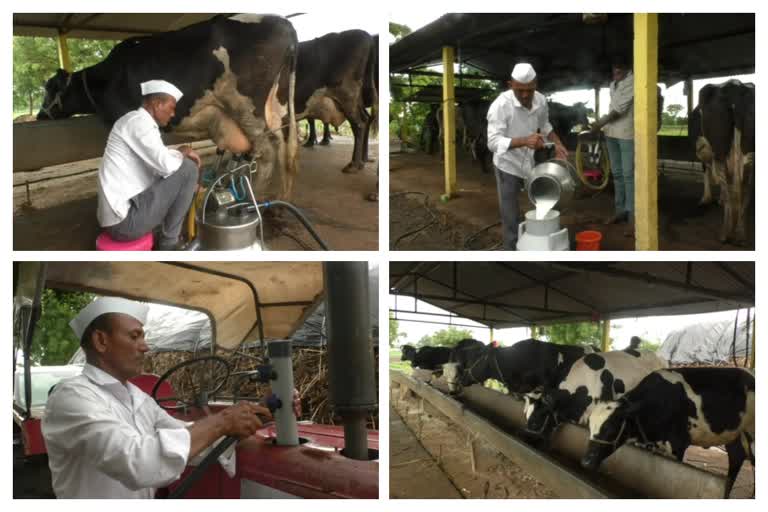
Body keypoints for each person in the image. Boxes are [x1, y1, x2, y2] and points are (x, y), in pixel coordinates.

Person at [42, 297, 300, 498]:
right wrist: (222, 422)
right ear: (101, 341)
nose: (145, 346)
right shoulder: (72, 398)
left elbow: (191, 441)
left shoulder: (137, 398)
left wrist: (260, 413)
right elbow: (138, 462)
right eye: (134, 336)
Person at [97, 80, 202, 250]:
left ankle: (167, 234)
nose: (173, 113)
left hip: (121, 217)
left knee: (183, 175)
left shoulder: (135, 122)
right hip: (124, 224)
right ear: (157, 104)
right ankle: (169, 244)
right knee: (188, 168)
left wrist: (185, 188)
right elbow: (167, 165)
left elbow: (159, 168)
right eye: (171, 107)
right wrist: (183, 151)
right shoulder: (138, 123)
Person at [487, 63, 568, 249]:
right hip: (506, 165)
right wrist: (524, 141)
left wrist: (558, 143)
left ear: (536, 85)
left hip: (529, 163)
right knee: (511, 214)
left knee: (540, 202)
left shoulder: (540, 100)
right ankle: (511, 250)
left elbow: (546, 126)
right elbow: (492, 142)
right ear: (510, 85)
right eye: (519, 90)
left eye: (529, 90)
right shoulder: (500, 105)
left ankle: (536, 245)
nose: (525, 95)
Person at [590, 56, 634, 235]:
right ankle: (620, 211)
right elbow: (611, 110)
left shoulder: (634, 81)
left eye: (619, 71)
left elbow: (618, 110)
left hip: (626, 133)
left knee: (628, 175)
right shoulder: (612, 84)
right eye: (614, 70)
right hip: (611, 133)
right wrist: (602, 126)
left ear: (627, 68)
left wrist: (598, 124)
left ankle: (632, 218)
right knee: (616, 174)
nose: (616, 73)